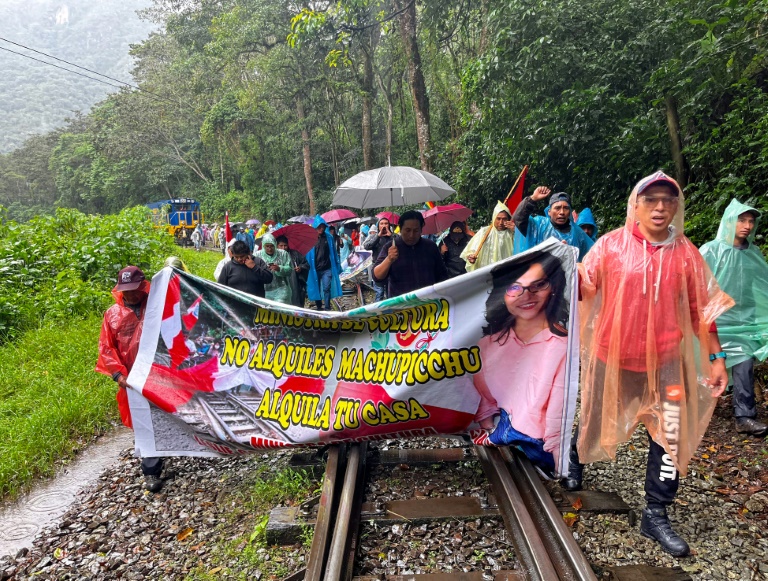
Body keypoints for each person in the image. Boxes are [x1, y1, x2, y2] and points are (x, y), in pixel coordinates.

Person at [568, 171, 733, 557]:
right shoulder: (610, 246)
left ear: (676, 207)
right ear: (635, 206)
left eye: (668, 201)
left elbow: (702, 311)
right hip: (615, 360)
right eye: (651, 200)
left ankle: (656, 513)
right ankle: (575, 459)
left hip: (667, 366)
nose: (660, 208)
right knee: (594, 414)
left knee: (671, 435)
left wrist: (717, 358)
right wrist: (562, 270)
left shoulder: (686, 254)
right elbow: (584, 287)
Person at [474, 252, 569, 475]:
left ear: (553, 287)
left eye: (539, 285)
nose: (527, 296)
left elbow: (558, 412)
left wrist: (557, 456)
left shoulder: (560, 345)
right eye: (515, 287)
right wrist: (488, 428)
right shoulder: (488, 344)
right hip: (499, 428)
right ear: (501, 295)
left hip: (538, 441)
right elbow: (483, 402)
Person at [700, 200, 768, 437]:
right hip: (716, 322)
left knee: (744, 363)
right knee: (704, 364)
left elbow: (761, 287)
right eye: (742, 219)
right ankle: (695, 410)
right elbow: (698, 286)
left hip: (745, 323)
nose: (747, 225)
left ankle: (744, 416)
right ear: (730, 220)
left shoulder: (754, 253)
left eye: (751, 221)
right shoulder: (711, 250)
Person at [95, 266, 165, 493]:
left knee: (165, 414)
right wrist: (118, 374)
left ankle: (167, 450)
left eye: (134, 290)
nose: (131, 295)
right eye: (126, 290)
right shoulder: (112, 314)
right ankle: (151, 471)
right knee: (143, 421)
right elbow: (107, 347)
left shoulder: (158, 306)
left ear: (143, 286)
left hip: (160, 373)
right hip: (132, 377)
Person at [372, 210, 448, 297]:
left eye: (416, 231)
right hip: (401, 306)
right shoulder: (390, 247)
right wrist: (389, 259)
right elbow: (376, 276)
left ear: (421, 228)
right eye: (407, 230)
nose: (411, 235)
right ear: (400, 228)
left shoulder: (431, 246)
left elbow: (442, 274)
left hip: (429, 302)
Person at [513, 188, 594, 260]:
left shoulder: (578, 233)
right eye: (557, 208)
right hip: (542, 275)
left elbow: (592, 255)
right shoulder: (538, 225)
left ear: (569, 212)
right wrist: (533, 199)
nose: (562, 212)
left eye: (566, 208)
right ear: (549, 211)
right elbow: (519, 218)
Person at [460, 201, 515, 272]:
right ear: (494, 218)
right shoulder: (484, 232)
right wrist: (471, 257)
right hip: (486, 273)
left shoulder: (512, 233)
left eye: (504, 219)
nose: (501, 222)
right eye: (498, 219)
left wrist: (517, 231)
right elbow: (471, 251)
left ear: (508, 219)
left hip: (506, 273)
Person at [306, 216, 342, 310]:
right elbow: (307, 254)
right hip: (315, 269)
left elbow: (333, 252)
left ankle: (327, 307)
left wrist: (337, 265)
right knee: (316, 288)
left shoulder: (328, 238)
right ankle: (318, 306)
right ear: (315, 227)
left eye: (323, 227)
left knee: (327, 288)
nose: (321, 229)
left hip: (327, 268)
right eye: (319, 227)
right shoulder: (310, 239)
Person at [256, 233, 293, 304]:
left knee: (280, 309)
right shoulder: (257, 255)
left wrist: (279, 268)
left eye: (272, 246)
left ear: (275, 245)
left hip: (282, 288)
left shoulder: (283, 254)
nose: (269, 249)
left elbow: (289, 269)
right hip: (264, 289)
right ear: (263, 245)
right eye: (267, 246)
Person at [364, 217, 394, 301]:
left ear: (389, 225)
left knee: (390, 292)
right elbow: (367, 246)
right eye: (382, 223)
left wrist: (391, 236)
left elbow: (400, 244)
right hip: (377, 268)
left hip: (391, 267)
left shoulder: (394, 236)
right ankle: (378, 312)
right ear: (378, 226)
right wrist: (378, 236)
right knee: (379, 292)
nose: (384, 225)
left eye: (386, 223)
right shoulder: (374, 236)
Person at [277, 235, 310, 308]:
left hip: (294, 284)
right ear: (276, 246)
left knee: (295, 303)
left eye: (285, 245)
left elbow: (306, 264)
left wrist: (300, 268)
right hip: (280, 286)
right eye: (281, 246)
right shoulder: (274, 257)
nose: (283, 248)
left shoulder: (295, 254)